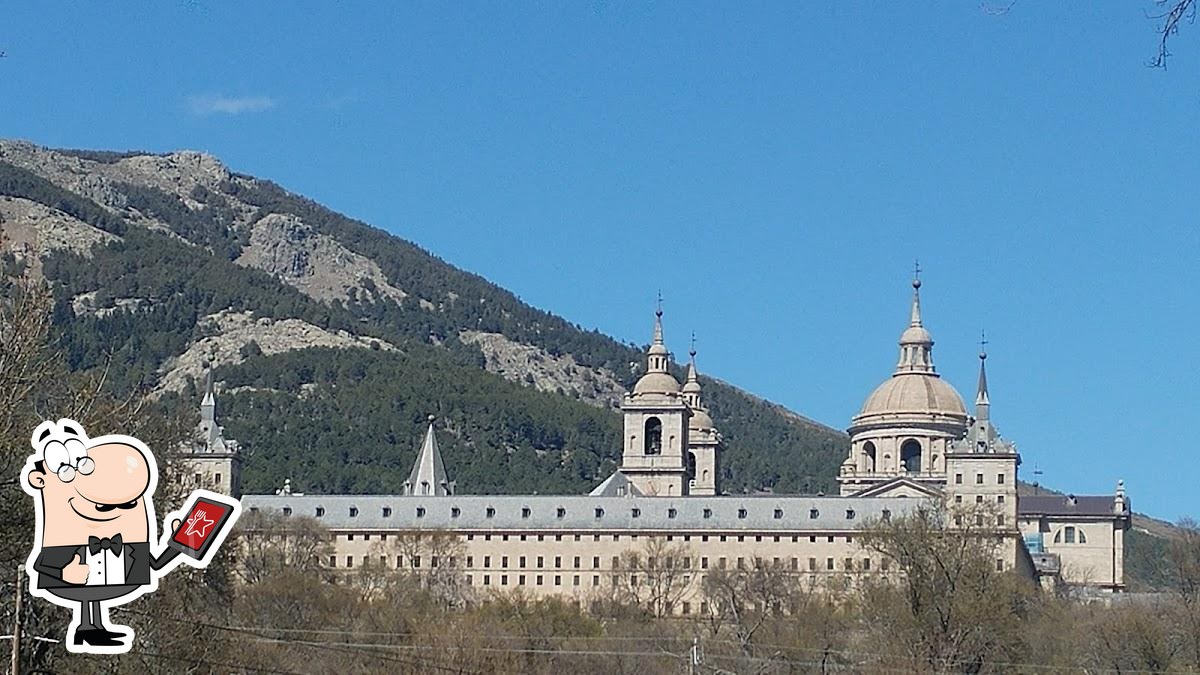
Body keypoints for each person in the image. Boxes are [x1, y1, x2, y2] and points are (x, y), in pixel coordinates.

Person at [21, 419, 183, 652]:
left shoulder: (129, 547)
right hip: (75, 578)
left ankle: (91, 628)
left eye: (128, 504)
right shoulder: (63, 544)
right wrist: (63, 572)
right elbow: (39, 565)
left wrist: (179, 543)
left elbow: (156, 564)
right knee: (88, 594)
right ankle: (87, 628)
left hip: (110, 578)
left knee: (92, 595)